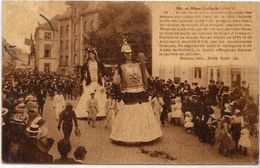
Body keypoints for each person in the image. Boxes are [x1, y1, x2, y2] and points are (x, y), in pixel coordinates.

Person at [110, 39, 162, 143]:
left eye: (129, 53)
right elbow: (115, 83)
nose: (128, 55)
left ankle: (147, 136)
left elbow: (147, 78)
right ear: (122, 54)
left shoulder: (139, 65)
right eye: (125, 53)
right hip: (129, 94)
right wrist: (118, 97)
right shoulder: (120, 68)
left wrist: (152, 89)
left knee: (143, 114)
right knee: (130, 115)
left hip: (141, 92)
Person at [75, 47, 107, 118]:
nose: (91, 56)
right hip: (90, 83)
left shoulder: (99, 63)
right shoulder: (86, 64)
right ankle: (86, 114)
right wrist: (82, 79)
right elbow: (82, 73)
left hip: (97, 82)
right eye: (90, 54)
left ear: (95, 55)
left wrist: (103, 78)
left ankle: (100, 114)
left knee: (99, 96)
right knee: (88, 96)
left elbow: (103, 72)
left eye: (92, 54)